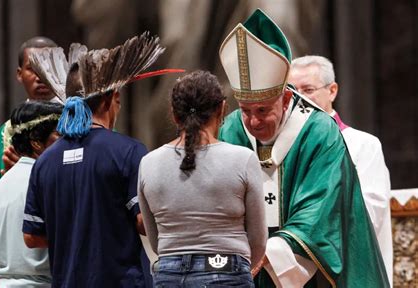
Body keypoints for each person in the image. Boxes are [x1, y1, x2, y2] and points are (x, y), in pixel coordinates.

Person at [218, 9, 389, 287]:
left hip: (309, 273)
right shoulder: (231, 129)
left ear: (286, 98)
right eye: (245, 109)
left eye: (263, 109)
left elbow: (323, 208)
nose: (253, 121)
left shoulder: (319, 132)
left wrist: (270, 253)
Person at [22, 32, 170, 287]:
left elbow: (31, 236)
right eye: (119, 101)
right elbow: (145, 223)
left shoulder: (44, 162)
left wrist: (75, 229)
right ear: (110, 100)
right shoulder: (128, 152)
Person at [137, 70, 267, 287]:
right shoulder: (242, 159)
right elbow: (258, 240)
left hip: (169, 274)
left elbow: (155, 240)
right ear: (222, 108)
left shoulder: (148, 162)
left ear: (174, 114)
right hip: (227, 270)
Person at [289, 55, 393, 286]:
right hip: (297, 265)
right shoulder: (285, 149)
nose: (299, 99)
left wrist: (312, 233)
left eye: (308, 89)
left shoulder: (362, 144)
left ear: (332, 91)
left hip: (349, 264)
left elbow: (369, 211)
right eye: (292, 91)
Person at [0, 36, 58, 272]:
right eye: (33, 69)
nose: (41, 76)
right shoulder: (4, 137)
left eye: (48, 68)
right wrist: (11, 183)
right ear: (19, 73)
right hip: (17, 258)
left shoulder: (79, 128)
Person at [0, 101, 62, 287]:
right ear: (36, 142)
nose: (67, 142)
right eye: (59, 135)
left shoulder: (1, 184)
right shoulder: (44, 182)